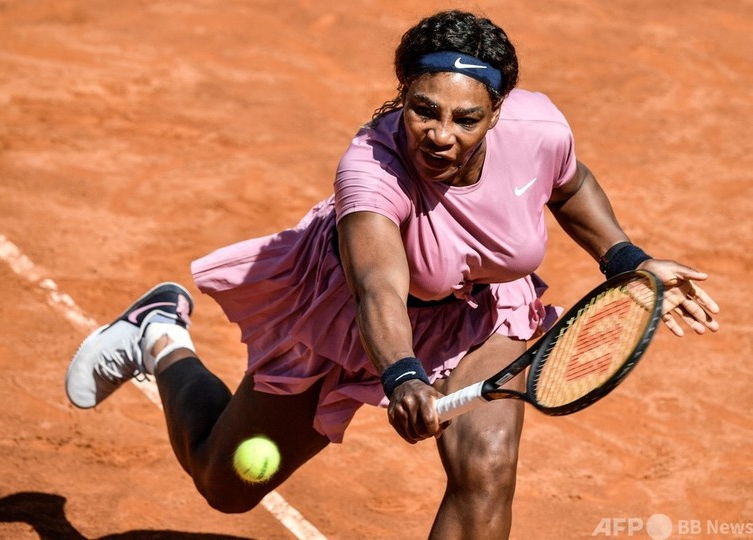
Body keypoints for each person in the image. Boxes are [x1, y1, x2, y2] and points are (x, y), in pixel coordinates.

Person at [65, 10, 720, 539]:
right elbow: (377, 285)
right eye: (423, 110)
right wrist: (402, 374)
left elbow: (569, 186)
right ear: (402, 95)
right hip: (355, 318)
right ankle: (158, 334)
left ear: (497, 112)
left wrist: (627, 260)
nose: (440, 135)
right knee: (224, 482)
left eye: (466, 119)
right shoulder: (369, 171)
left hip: (482, 312)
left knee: (487, 467)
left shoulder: (539, 129)